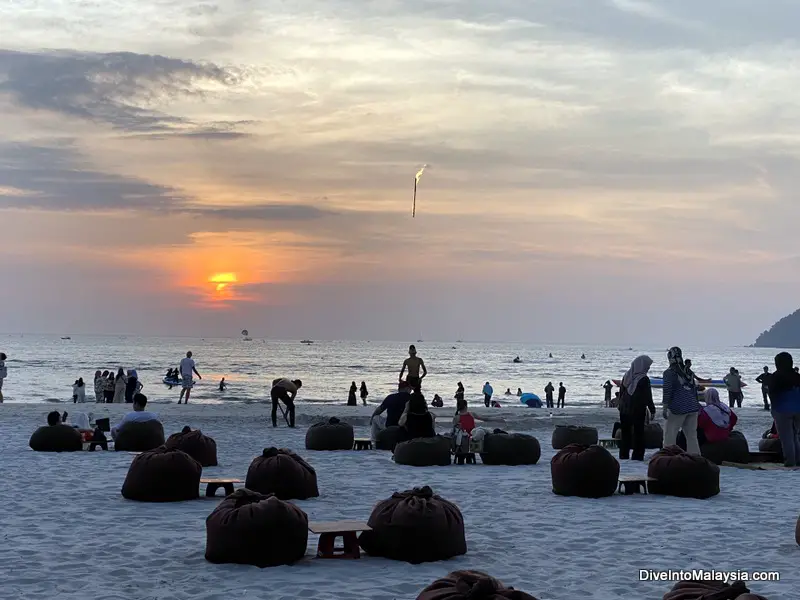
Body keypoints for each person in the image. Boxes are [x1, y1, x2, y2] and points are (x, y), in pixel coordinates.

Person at [662, 346, 701, 454]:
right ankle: (696, 460)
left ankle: (668, 458)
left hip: (677, 408)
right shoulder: (688, 372)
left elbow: (667, 391)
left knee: (670, 435)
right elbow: (694, 390)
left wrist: (665, 407)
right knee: (692, 437)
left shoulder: (669, 373)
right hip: (693, 407)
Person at [618, 355, 656, 461]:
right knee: (639, 433)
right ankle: (637, 456)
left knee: (625, 433)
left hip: (624, 409)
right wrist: (652, 409)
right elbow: (648, 396)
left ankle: (623, 455)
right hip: (638, 409)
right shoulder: (644, 379)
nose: (648, 368)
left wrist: (619, 406)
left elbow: (621, 393)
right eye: (647, 366)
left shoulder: (627, 376)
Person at [767, 352, 800, 467]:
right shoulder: (797, 376)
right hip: (798, 409)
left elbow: (772, 394)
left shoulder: (775, 377)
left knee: (786, 438)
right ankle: (798, 460)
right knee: (795, 435)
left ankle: (790, 462)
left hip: (782, 410)